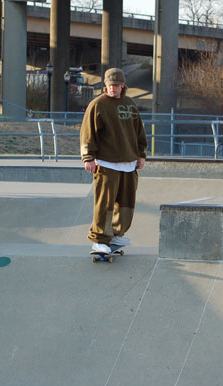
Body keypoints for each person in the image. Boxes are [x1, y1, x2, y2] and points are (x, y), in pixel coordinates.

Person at [80, 68, 148, 254]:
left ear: (123, 85)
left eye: (116, 85)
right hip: (106, 163)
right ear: (105, 85)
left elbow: (139, 132)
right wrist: (88, 157)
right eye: (109, 85)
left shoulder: (130, 104)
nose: (112, 88)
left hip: (129, 163)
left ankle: (116, 234)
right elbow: (88, 133)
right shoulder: (98, 105)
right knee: (105, 203)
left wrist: (141, 155)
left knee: (126, 203)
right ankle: (100, 238)